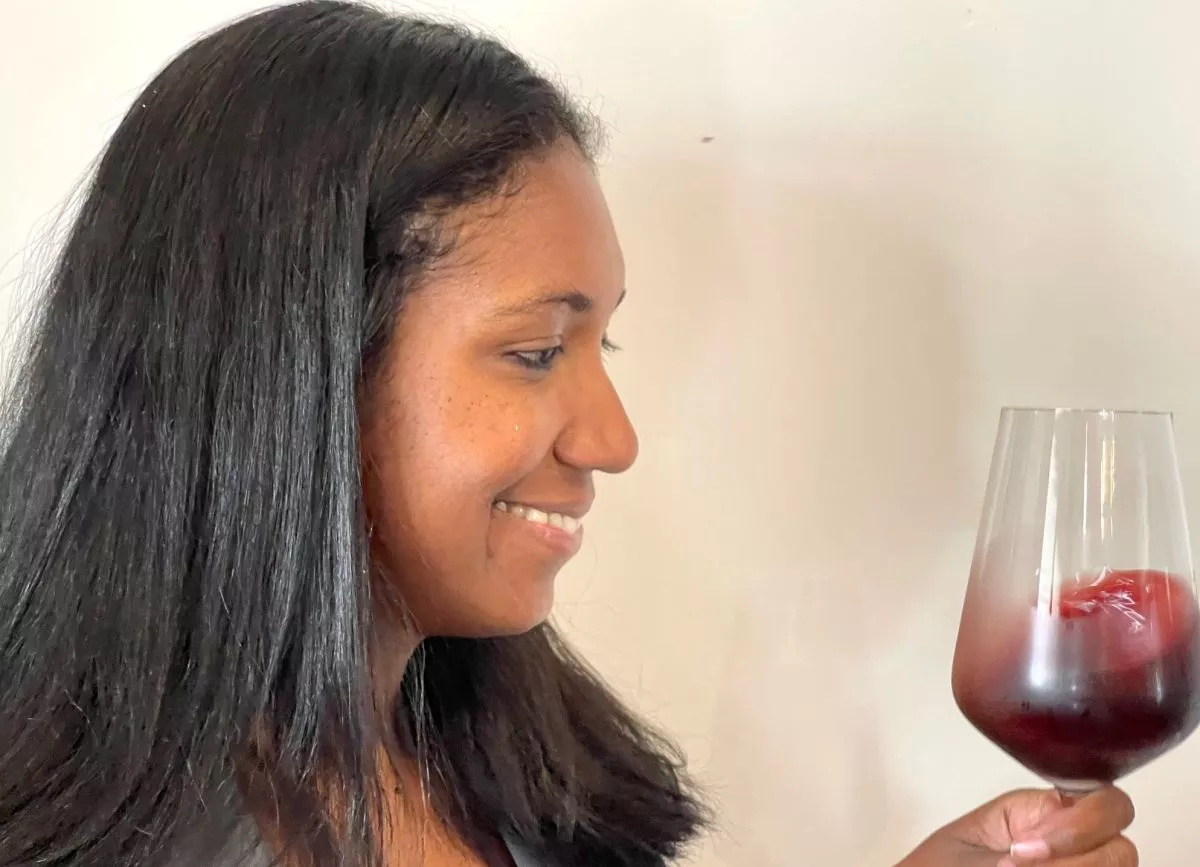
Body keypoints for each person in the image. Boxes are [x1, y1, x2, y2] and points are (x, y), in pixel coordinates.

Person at [0, 3, 1138, 866]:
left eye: (607, 345)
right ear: (291, 365)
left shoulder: (514, 778)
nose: (612, 438)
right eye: (538, 350)